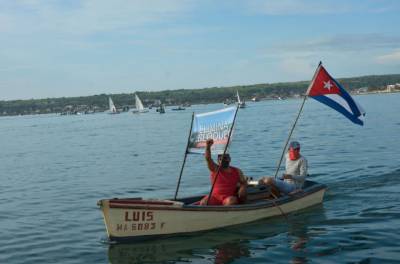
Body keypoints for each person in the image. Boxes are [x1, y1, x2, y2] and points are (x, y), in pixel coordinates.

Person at [199, 139, 247, 206]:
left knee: (231, 201)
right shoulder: (215, 169)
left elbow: (244, 182)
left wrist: (242, 187)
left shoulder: (237, 171)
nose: (223, 160)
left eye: (225, 157)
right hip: (214, 197)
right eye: (221, 159)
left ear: (230, 159)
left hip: (228, 198)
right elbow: (208, 158)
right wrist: (208, 146)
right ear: (218, 161)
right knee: (203, 202)